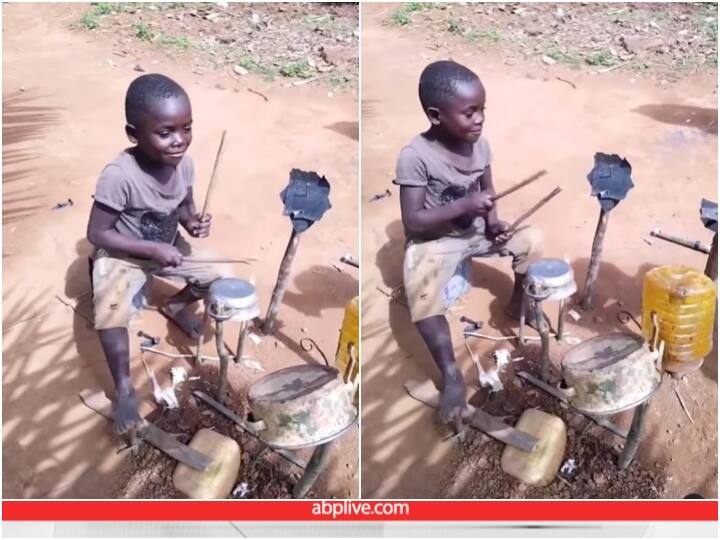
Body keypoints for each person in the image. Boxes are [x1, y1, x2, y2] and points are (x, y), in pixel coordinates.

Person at [394, 60, 544, 424]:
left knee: (532, 240)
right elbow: (413, 221)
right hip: (435, 239)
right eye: (469, 112)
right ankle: (450, 375)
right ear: (436, 115)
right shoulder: (414, 157)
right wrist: (464, 205)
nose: (479, 119)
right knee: (422, 295)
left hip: (474, 231)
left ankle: (518, 306)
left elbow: (488, 191)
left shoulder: (480, 146)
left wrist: (494, 224)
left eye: (482, 110)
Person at [87, 74, 218, 433]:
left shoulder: (185, 163)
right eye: (166, 132)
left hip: (167, 248)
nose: (180, 141)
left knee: (217, 277)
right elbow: (97, 233)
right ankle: (125, 389)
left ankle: (175, 305)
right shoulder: (118, 176)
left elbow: (186, 207)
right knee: (111, 308)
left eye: (187, 128)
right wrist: (151, 249)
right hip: (123, 253)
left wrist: (194, 224)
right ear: (134, 134)